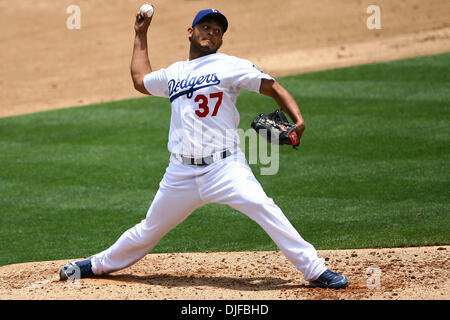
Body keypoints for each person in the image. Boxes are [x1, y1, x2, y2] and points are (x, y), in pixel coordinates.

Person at [59, 7, 348, 289]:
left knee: (263, 206)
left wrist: (298, 120)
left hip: (225, 167)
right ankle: (96, 264)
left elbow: (272, 87)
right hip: (181, 172)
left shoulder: (230, 65)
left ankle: (315, 269)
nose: (211, 32)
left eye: (217, 30)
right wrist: (140, 33)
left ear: (221, 40)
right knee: (149, 229)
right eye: (206, 27)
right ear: (191, 32)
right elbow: (140, 81)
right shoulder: (174, 73)